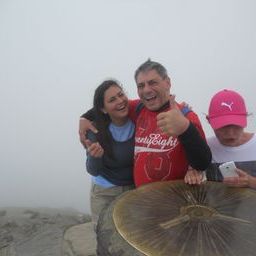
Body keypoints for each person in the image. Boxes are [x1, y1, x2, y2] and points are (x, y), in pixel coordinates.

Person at [80, 59, 212, 188]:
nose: (146, 90)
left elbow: (203, 163)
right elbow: (112, 106)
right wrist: (84, 118)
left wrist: (185, 129)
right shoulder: (139, 108)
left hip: (173, 202)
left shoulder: (186, 116)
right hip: (141, 201)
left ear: (167, 82)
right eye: (141, 86)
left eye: (152, 83)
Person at [84, 79, 136, 231]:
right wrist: (95, 156)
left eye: (121, 95)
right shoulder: (95, 130)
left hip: (133, 190)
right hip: (105, 192)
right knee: (105, 238)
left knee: (132, 238)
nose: (120, 101)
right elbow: (93, 170)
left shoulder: (139, 120)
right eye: (112, 100)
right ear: (104, 109)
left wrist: (183, 110)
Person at [184, 89, 256, 188]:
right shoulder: (204, 148)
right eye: (223, 126)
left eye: (236, 125)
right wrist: (192, 175)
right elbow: (194, 174)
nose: (231, 134)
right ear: (208, 120)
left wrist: (251, 182)